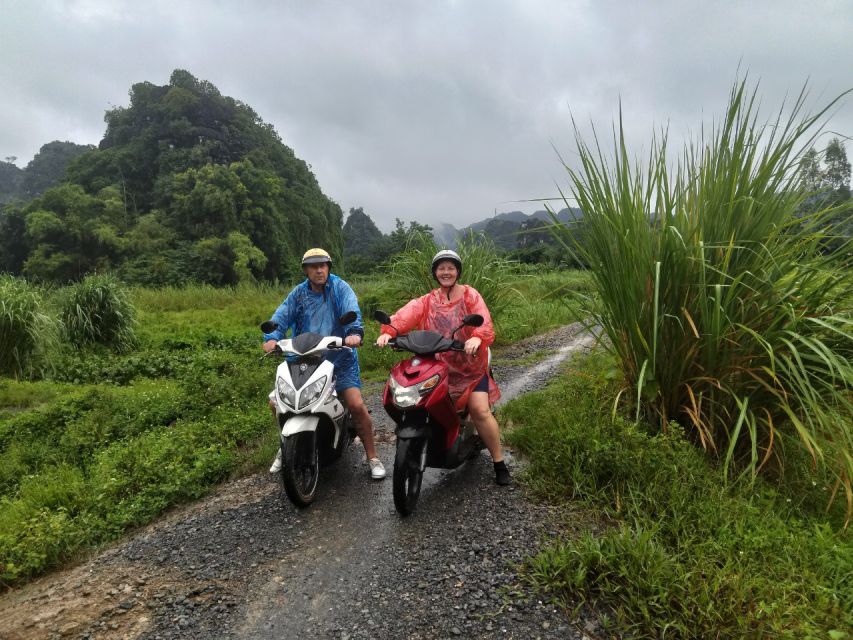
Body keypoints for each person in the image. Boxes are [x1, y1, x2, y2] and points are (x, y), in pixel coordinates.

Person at [375, 249, 511, 485]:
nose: (446, 272)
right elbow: (406, 316)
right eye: (441, 268)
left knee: (479, 410)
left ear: (457, 271)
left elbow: (483, 320)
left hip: (469, 366)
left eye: (450, 268)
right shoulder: (428, 300)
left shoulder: (470, 295)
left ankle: (499, 463)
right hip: (439, 365)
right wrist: (389, 332)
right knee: (421, 400)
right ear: (435, 273)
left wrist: (477, 337)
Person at [263, 248, 385, 480]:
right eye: (313, 266)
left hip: (339, 359)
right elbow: (280, 317)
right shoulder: (298, 294)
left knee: (356, 405)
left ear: (329, 267)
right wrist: (271, 339)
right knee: (275, 403)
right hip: (303, 359)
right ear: (306, 270)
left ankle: (372, 457)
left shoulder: (340, 288)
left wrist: (354, 334)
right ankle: (286, 444)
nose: (319, 270)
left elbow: (352, 312)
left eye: (323, 265)